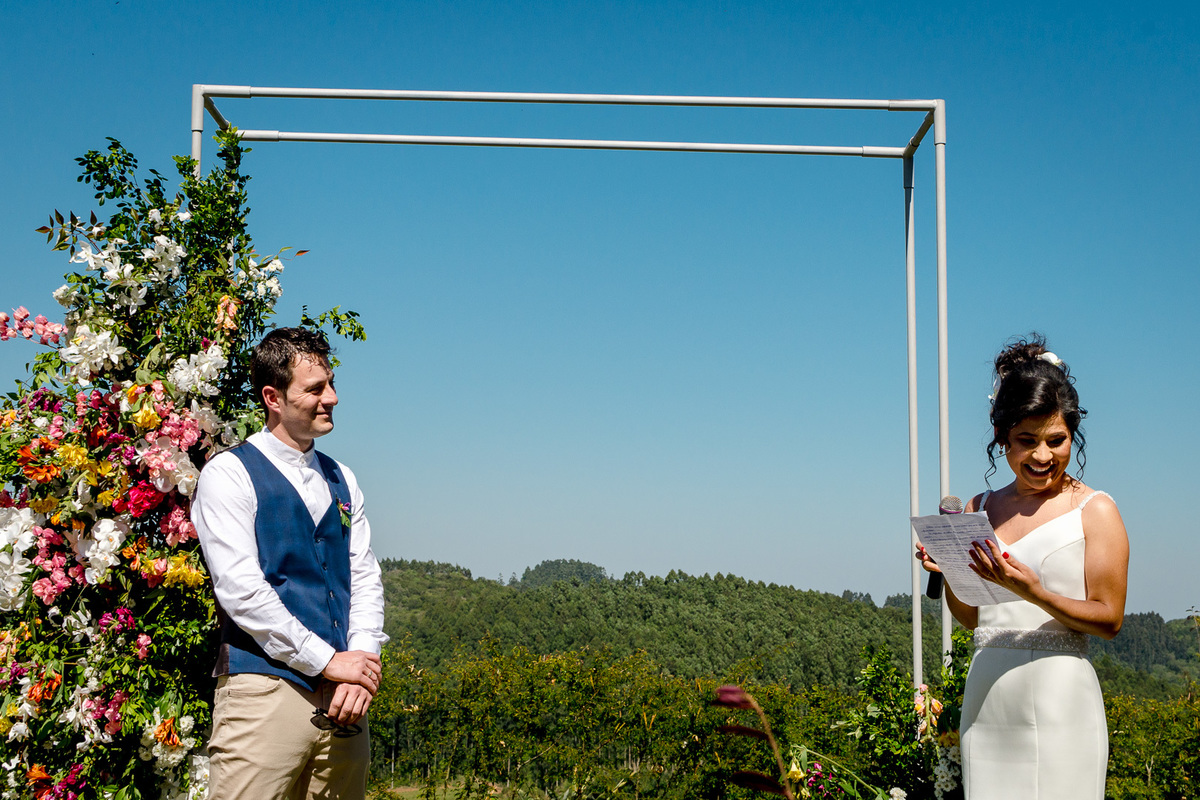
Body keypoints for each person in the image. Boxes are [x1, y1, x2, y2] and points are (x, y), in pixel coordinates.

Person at [917, 334, 1128, 800]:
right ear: (1002, 439)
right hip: (989, 700)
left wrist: (1034, 591)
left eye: (1057, 440)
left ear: (1073, 435)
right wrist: (950, 571)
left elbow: (1110, 619)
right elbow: (973, 616)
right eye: (1026, 441)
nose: (1041, 456)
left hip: (1062, 703)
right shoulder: (978, 507)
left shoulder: (1096, 510)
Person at [193, 327, 388, 799]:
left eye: (332, 384)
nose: (333, 398)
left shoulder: (344, 479)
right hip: (265, 694)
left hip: (344, 703)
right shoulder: (229, 473)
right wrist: (328, 661)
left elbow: (363, 577)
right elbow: (242, 592)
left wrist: (360, 665)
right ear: (272, 397)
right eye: (316, 389)